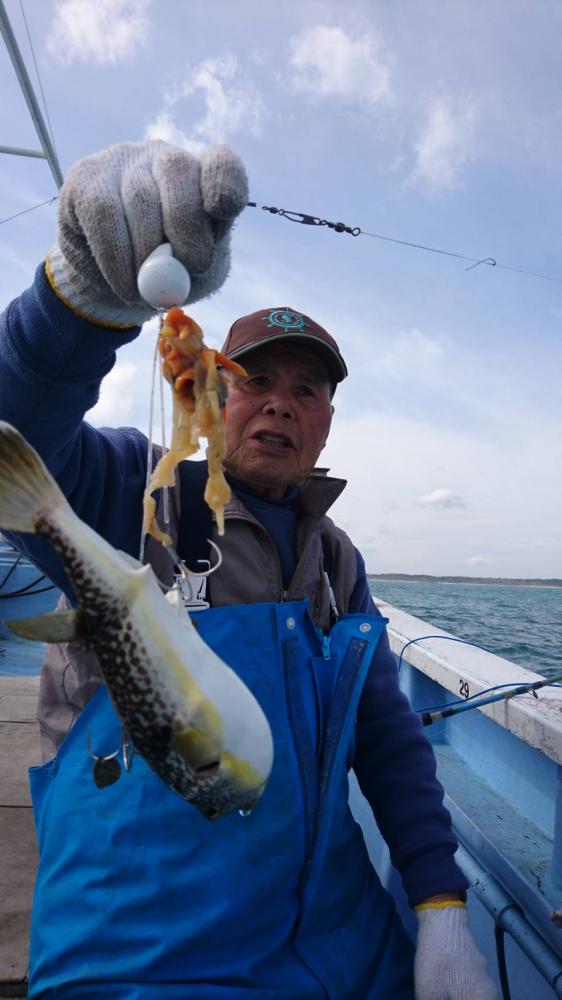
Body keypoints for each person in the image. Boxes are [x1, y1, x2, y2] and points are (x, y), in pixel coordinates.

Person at [0, 141, 498, 1000]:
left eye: (307, 390)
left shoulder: (335, 561)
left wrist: (440, 904)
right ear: (212, 393)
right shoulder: (137, 490)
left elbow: (385, 737)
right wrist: (80, 305)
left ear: (327, 421)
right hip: (139, 948)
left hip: (334, 939)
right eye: (255, 379)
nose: (279, 403)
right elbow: (20, 429)